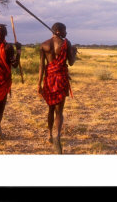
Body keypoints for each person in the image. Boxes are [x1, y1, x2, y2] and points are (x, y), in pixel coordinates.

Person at [38, 22, 77, 154]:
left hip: (48, 79)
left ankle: (49, 134)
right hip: (60, 78)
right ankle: (57, 136)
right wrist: (74, 52)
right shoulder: (67, 44)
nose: (66, 33)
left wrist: (39, 84)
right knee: (59, 111)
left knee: (50, 108)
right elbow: (71, 62)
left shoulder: (44, 44)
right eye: (65, 30)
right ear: (59, 31)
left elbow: (42, 67)